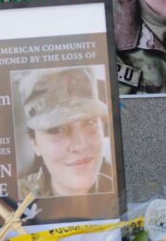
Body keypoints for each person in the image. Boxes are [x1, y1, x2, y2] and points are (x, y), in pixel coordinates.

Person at [18, 67, 114, 198]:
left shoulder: (123, 193)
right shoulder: (13, 198)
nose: (80, 145)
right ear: (35, 143)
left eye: (90, 122)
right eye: (57, 129)